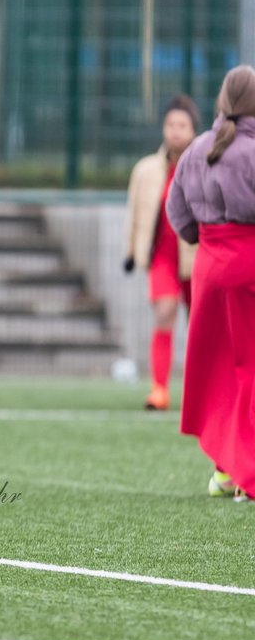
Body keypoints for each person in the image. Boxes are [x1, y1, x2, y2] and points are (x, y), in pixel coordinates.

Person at [166, 65, 255, 501]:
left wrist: (201, 239)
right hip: (248, 263)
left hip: (209, 264)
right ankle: (246, 472)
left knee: (220, 368)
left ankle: (225, 469)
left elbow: (176, 209)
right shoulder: (252, 151)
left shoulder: (197, 148)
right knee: (250, 369)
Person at [123, 95, 200, 410]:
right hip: (163, 257)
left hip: (197, 257)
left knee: (199, 327)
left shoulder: (205, 165)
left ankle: (199, 393)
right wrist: (131, 251)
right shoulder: (146, 170)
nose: (175, 131)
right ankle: (159, 389)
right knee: (165, 313)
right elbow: (135, 214)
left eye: (182, 125)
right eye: (170, 124)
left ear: (194, 130)